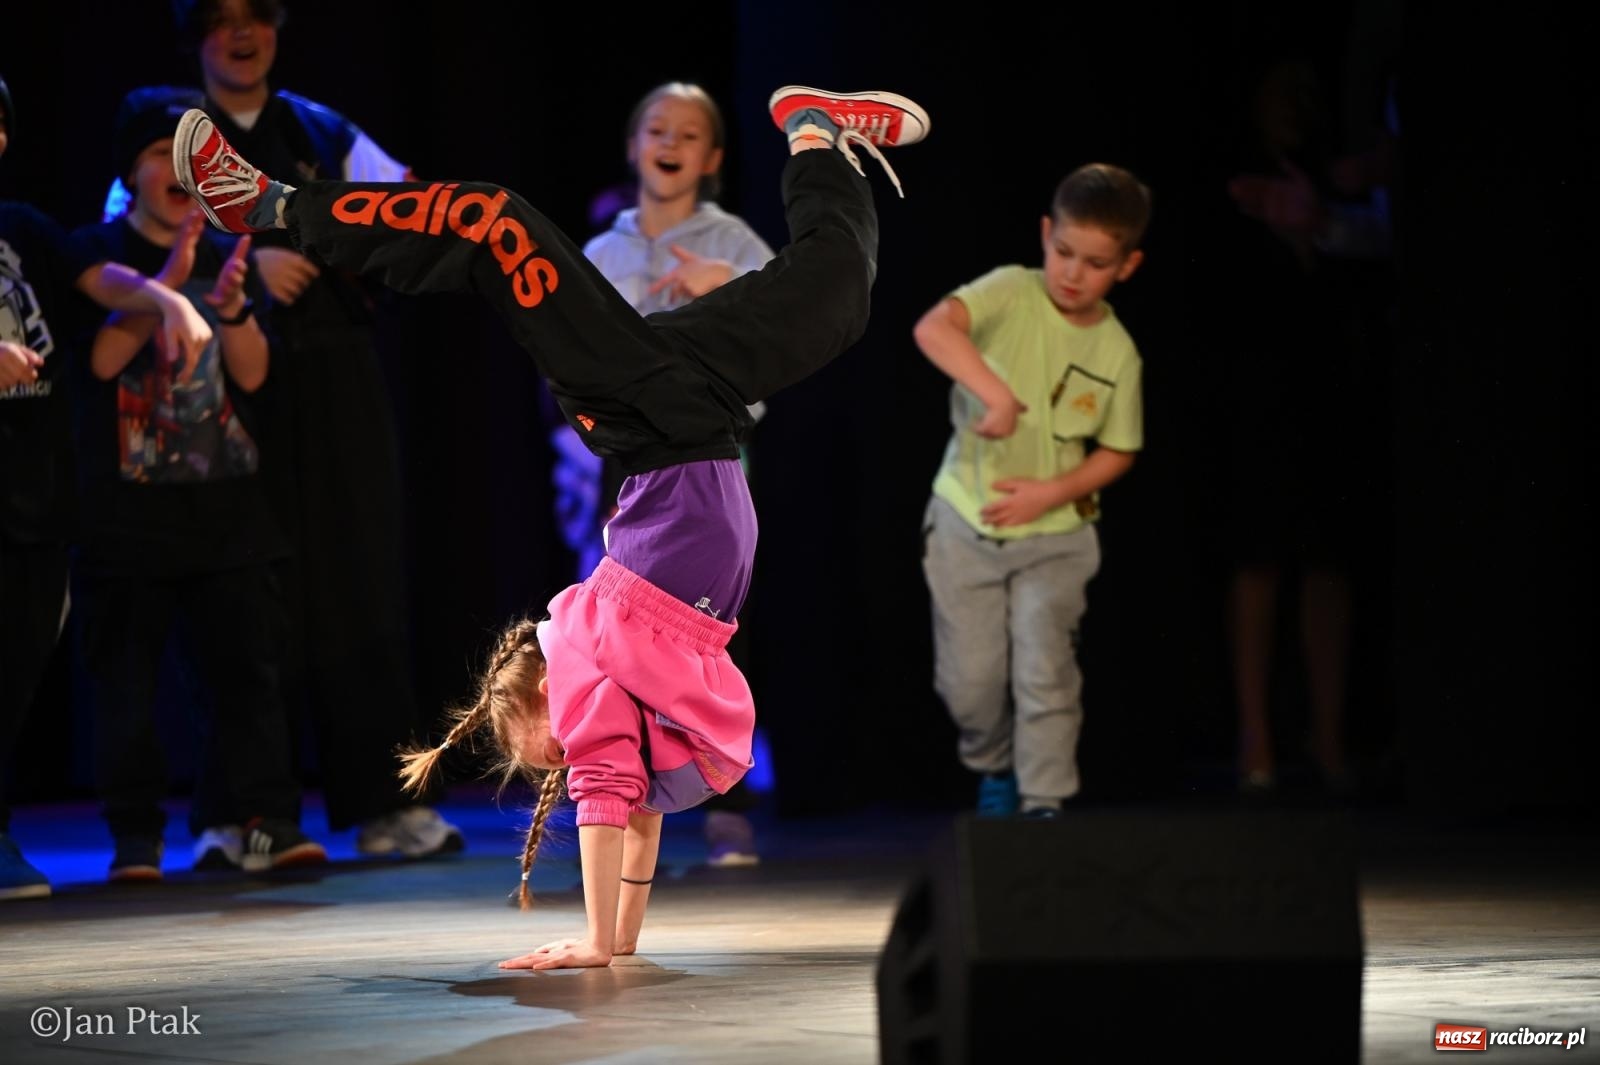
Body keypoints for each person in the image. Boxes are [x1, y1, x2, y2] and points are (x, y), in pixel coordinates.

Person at [170, 82, 927, 966]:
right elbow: (633, 824)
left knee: (497, 223)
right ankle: (812, 131)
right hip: (697, 397)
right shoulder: (634, 715)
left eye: (543, 760)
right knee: (841, 294)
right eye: (553, 771)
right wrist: (621, 941)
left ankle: (271, 205)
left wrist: (598, 943)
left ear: (543, 697)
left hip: (642, 411)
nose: (559, 772)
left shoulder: (595, 678)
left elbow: (605, 812)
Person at [149, 0, 462, 858]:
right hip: (221, 383)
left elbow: (414, 216)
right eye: (220, 18)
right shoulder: (168, 131)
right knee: (240, 594)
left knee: (361, 580)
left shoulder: (324, 130)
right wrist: (236, 257)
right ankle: (242, 813)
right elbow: (124, 241)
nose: (242, 34)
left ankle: (387, 805)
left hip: (337, 372)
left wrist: (316, 244)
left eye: (257, 15)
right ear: (195, 36)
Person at [70, 85, 327, 879]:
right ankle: (136, 834)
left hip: (228, 511)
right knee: (129, 686)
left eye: (188, 151)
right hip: (129, 517)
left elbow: (251, 374)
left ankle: (266, 820)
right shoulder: (96, 252)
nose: (175, 167)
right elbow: (102, 363)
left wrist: (232, 307)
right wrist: (167, 284)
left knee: (250, 676)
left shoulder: (229, 252)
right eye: (159, 153)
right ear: (133, 170)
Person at [1, 74, 216, 898]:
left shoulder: (21, 229)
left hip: (31, 502)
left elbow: (97, 280)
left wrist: (164, 295)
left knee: (15, 674)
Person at [578, 81, 776, 867]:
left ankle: (728, 812)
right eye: (655, 127)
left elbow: (784, 337)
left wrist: (723, 294)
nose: (670, 141)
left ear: (713, 157)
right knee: (611, 640)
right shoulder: (598, 254)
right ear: (633, 147)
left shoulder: (738, 247)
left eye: (689, 133)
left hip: (710, 468)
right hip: (627, 470)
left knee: (713, 634)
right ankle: (613, 800)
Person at [915, 164, 1148, 819]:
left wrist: (1051, 491)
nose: (1073, 273)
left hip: (1056, 537)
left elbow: (1119, 449)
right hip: (967, 521)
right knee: (971, 683)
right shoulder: (1012, 292)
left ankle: (1044, 804)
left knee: (1045, 670)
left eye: (1096, 263)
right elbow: (934, 328)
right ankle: (994, 764)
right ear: (1046, 234)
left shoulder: (1118, 352)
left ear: (1126, 266)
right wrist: (995, 393)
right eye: (1064, 252)